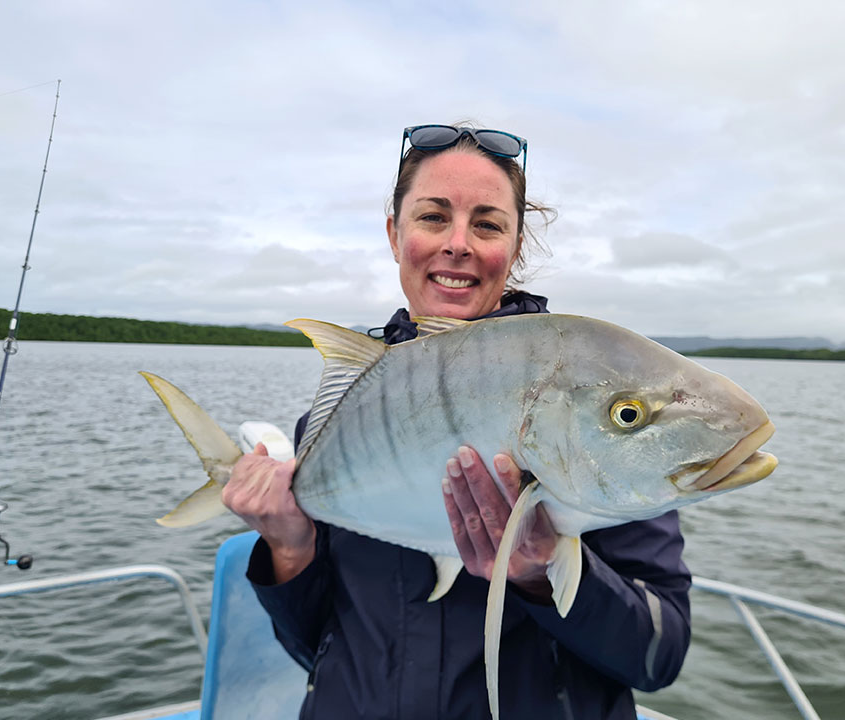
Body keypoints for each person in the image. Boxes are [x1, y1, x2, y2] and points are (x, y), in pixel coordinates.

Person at [221, 124, 692, 719]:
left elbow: (658, 656)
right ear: (395, 235)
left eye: (489, 224)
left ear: (515, 246)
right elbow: (315, 650)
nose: (458, 244)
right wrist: (289, 547)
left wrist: (539, 574)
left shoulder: (584, 402)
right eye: (433, 217)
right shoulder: (337, 421)